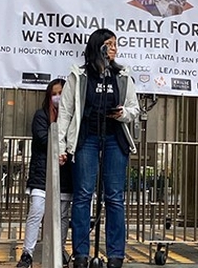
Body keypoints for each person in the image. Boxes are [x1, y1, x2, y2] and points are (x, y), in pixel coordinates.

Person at [57, 29, 140, 268]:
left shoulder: (122, 76)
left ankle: (116, 255)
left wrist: (123, 113)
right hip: (87, 139)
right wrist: (62, 146)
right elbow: (65, 112)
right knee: (83, 195)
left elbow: (134, 109)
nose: (114, 48)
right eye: (109, 44)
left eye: (116, 44)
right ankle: (81, 253)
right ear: (98, 47)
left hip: (114, 139)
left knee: (114, 197)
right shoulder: (80, 75)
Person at [17, 78, 73, 268]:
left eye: (61, 93)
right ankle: (27, 253)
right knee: (36, 212)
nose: (58, 97)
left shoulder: (73, 118)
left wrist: (67, 154)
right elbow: (42, 139)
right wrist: (60, 150)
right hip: (42, 175)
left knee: (63, 216)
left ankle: (60, 249)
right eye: (54, 94)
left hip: (65, 176)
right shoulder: (41, 116)